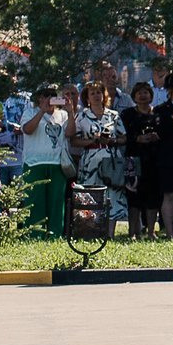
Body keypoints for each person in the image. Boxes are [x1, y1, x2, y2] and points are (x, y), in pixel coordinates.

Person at [16, 84, 71, 239]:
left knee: (56, 202)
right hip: (34, 164)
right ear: (39, 97)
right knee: (34, 201)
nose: (49, 98)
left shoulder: (62, 114)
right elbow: (27, 130)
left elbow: (70, 133)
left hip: (57, 164)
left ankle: (55, 234)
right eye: (45, 95)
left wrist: (71, 111)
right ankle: (34, 235)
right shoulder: (30, 112)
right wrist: (42, 111)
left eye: (53, 95)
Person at [72, 82, 130, 227]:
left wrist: (112, 140)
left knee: (113, 195)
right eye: (92, 93)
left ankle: (110, 232)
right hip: (90, 161)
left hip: (111, 160)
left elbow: (124, 138)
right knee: (90, 195)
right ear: (87, 98)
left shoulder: (113, 115)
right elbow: (74, 140)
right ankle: (91, 229)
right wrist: (92, 140)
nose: (96, 96)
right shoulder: (82, 116)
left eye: (99, 92)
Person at [121, 81, 163, 238]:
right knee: (133, 198)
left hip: (154, 160)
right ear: (134, 96)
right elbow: (122, 135)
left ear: (151, 95)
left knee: (153, 197)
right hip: (133, 160)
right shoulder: (127, 114)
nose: (143, 95)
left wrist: (157, 136)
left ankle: (151, 231)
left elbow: (165, 134)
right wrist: (137, 138)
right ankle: (133, 232)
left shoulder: (158, 114)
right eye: (139, 93)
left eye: (146, 92)